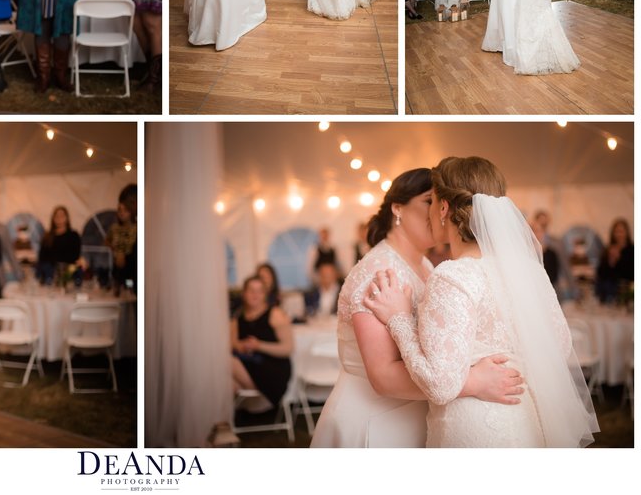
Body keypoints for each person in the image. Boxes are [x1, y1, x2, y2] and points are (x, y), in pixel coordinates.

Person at [365, 156, 599, 447]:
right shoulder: (528, 271)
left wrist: (399, 318)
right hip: (524, 414)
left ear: (444, 208)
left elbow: (440, 383)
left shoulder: (452, 276)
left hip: (475, 426)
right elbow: (561, 346)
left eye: (432, 201)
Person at [310, 168, 525, 448]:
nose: (438, 211)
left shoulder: (426, 266)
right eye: (429, 201)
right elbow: (383, 377)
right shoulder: (377, 272)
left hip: (417, 411)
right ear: (397, 208)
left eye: (439, 201)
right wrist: (473, 381)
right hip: (376, 420)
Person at [231, 276, 293, 410]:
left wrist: (259, 345)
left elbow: (288, 348)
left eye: (259, 291)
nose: (255, 295)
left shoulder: (275, 313)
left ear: (265, 294)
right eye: (251, 290)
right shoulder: (238, 317)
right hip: (249, 364)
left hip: (273, 368)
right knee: (227, 382)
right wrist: (241, 346)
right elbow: (233, 343)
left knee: (227, 363)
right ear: (244, 293)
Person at [36, 206, 82, 282]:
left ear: (67, 218)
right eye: (57, 216)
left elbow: (75, 256)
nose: (59, 219)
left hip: (68, 270)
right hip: (50, 271)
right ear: (53, 219)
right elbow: (42, 257)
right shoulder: (47, 236)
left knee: (75, 269)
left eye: (62, 216)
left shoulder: (73, 235)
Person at [595, 218, 633, 303]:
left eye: (621, 231)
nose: (619, 234)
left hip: (625, 288)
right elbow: (601, 273)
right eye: (616, 231)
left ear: (627, 233)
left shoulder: (632, 250)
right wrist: (611, 261)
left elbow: (630, 273)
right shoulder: (608, 249)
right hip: (608, 288)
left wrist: (619, 259)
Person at [106, 200, 138, 290]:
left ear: (131, 211)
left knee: (130, 289)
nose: (122, 213)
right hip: (117, 265)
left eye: (125, 210)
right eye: (120, 210)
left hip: (132, 264)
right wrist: (114, 249)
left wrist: (125, 255)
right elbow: (106, 241)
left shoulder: (136, 228)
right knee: (118, 289)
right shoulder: (114, 227)